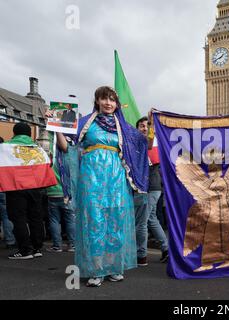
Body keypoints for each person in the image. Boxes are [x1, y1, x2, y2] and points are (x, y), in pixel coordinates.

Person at [54, 86, 149, 287]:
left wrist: (154, 123)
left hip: (116, 179)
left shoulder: (123, 126)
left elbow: (145, 145)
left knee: (116, 220)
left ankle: (114, 267)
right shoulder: (85, 122)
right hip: (92, 179)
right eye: (104, 99)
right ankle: (96, 269)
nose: (108, 103)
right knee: (94, 222)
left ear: (116, 104)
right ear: (97, 101)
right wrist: (55, 126)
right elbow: (65, 146)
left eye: (112, 100)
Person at [4, 123, 45, 259]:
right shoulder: (37, 147)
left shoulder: (6, 147)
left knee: (18, 218)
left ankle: (24, 250)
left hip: (16, 187)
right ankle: (37, 247)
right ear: (28, 134)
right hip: (35, 187)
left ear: (14, 133)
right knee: (36, 217)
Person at [139, 115, 169, 263]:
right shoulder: (137, 143)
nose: (144, 128)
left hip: (152, 187)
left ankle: (142, 256)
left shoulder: (153, 144)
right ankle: (166, 248)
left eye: (147, 126)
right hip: (146, 187)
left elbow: (149, 143)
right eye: (141, 126)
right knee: (151, 219)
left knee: (143, 221)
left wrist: (151, 124)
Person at [45, 132, 76, 253]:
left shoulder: (51, 158)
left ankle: (57, 246)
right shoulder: (70, 157)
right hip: (68, 193)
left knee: (54, 220)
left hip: (52, 192)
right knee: (70, 220)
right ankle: (73, 245)